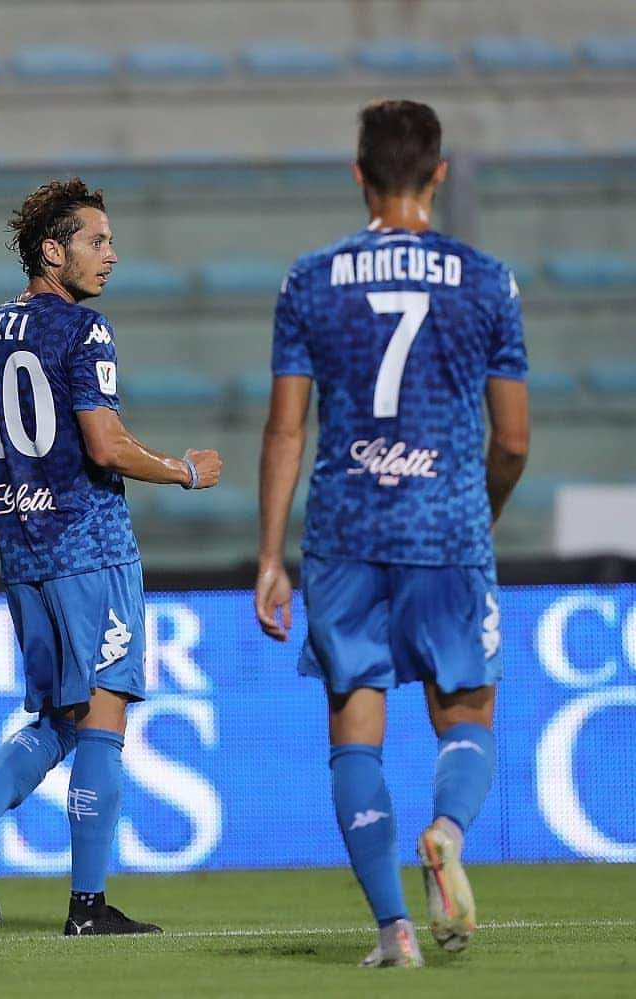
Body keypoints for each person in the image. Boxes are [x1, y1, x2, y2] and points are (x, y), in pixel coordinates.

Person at [254, 100, 529, 968]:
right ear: (439, 174)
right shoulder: (487, 279)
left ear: (358, 174)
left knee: (353, 735)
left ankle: (392, 930)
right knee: (466, 719)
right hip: (445, 526)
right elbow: (514, 438)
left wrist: (270, 556)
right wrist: (476, 515)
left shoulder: (309, 279)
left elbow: (286, 429)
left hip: (344, 535)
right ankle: (444, 830)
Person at [0, 177, 222, 936]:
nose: (112, 255)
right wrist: (183, 469)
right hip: (88, 551)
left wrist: (28, 480)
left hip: (23, 555)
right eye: (96, 241)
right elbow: (105, 443)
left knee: (60, 715)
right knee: (102, 719)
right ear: (51, 250)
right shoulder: (82, 332)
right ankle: (88, 906)